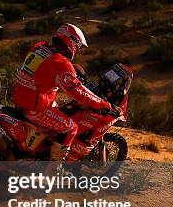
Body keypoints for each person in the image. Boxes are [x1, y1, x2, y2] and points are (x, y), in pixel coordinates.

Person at [13, 23, 114, 162]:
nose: (77, 49)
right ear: (72, 42)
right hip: (34, 106)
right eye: (77, 46)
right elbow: (77, 91)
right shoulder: (61, 63)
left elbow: (42, 73)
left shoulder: (39, 47)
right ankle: (54, 169)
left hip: (21, 94)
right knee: (71, 128)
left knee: (60, 110)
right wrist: (102, 104)